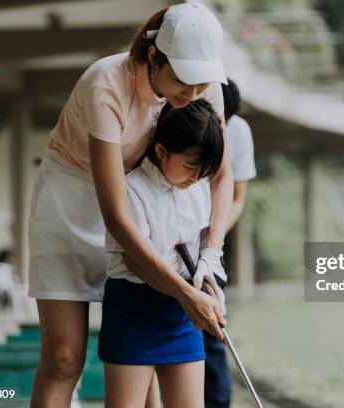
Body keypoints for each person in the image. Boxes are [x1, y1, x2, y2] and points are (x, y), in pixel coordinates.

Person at [27, 4, 232, 407]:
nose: (192, 95)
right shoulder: (105, 82)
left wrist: (211, 253)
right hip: (75, 198)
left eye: (201, 83)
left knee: (145, 360)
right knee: (64, 357)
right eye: (183, 82)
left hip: (149, 200)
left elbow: (220, 174)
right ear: (154, 57)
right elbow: (115, 215)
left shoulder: (205, 86)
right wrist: (184, 294)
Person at [99, 99, 224, 408]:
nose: (196, 179)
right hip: (133, 309)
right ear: (161, 151)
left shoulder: (195, 188)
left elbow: (205, 235)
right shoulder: (132, 190)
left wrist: (208, 270)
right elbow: (136, 261)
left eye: (204, 173)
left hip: (181, 315)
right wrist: (188, 295)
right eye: (191, 168)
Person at [204, 79, 257, 408]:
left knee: (213, 340)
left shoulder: (239, 131)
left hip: (210, 247)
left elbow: (237, 197)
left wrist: (213, 240)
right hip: (171, 242)